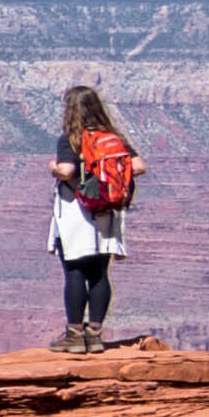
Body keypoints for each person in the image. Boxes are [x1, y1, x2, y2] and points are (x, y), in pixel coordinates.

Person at [50, 81, 136, 345]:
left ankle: (75, 336)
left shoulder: (72, 139)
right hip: (107, 211)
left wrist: (53, 167)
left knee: (75, 271)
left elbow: (66, 171)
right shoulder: (114, 138)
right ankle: (95, 336)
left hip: (77, 211)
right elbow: (139, 166)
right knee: (99, 273)